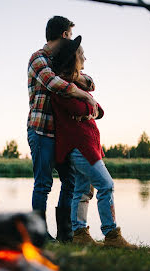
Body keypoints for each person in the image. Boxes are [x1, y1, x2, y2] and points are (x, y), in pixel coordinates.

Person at [50, 36, 137, 249]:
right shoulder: (63, 88)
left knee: (82, 190)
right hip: (80, 148)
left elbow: (100, 111)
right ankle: (112, 235)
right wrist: (90, 107)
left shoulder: (77, 85)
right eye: (81, 55)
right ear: (73, 58)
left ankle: (79, 233)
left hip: (88, 146)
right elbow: (79, 110)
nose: (85, 58)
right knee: (106, 185)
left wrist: (89, 107)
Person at [27, 16, 97, 243]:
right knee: (43, 184)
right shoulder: (38, 58)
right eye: (70, 34)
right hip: (41, 131)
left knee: (71, 181)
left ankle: (66, 233)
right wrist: (83, 93)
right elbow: (53, 83)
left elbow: (88, 80)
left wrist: (79, 81)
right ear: (64, 35)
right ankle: (39, 234)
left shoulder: (61, 61)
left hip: (61, 135)